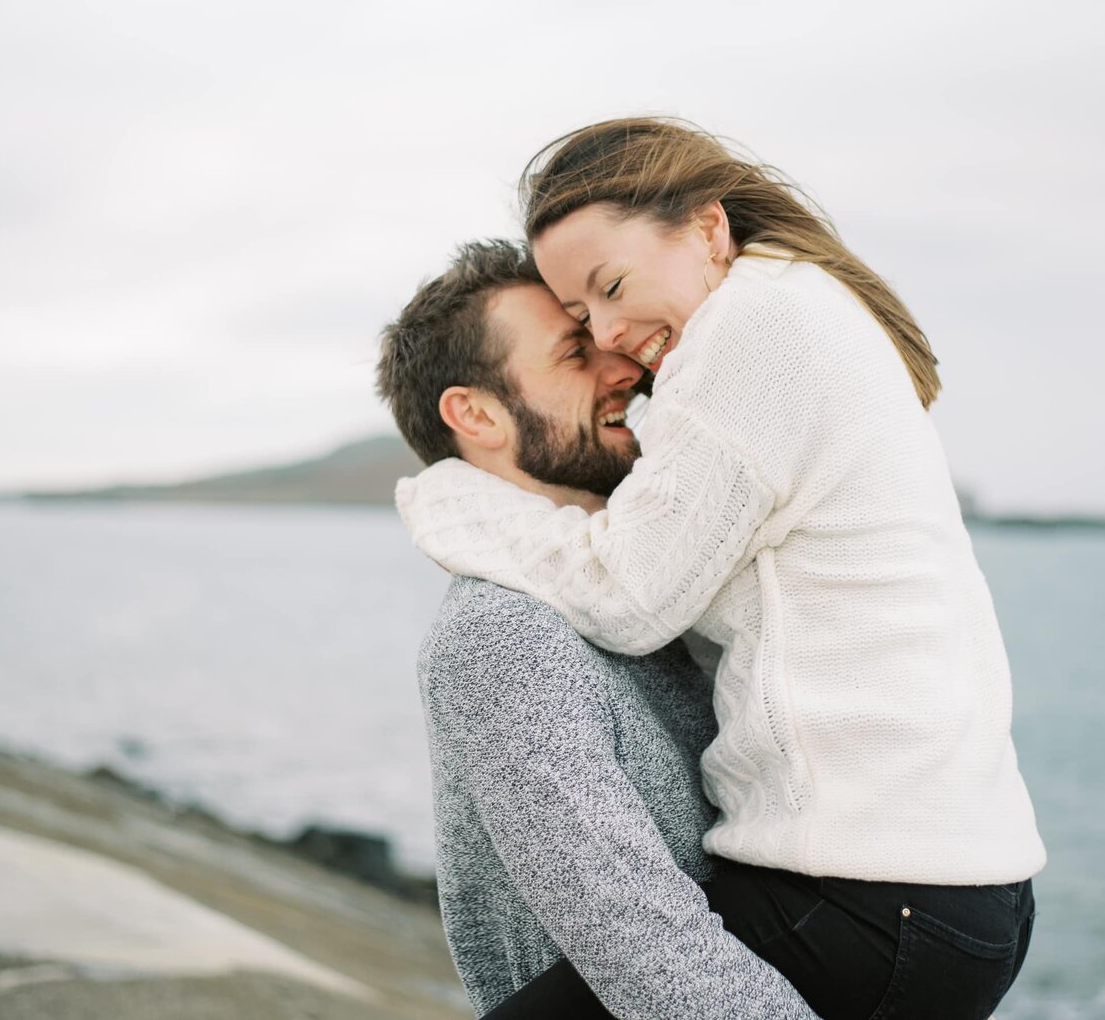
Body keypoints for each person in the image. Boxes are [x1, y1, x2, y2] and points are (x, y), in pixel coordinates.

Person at [396, 119, 1045, 1020]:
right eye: (579, 332)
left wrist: (449, 501)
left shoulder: (753, 330)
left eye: (611, 293)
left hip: (877, 887)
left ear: (708, 230)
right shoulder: (504, 631)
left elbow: (622, 600)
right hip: (944, 890)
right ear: (475, 412)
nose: (619, 347)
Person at [376, 239, 818, 1020]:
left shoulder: (637, 593)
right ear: (475, 413)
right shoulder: (503, 633)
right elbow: (646, 946)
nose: (622, 367)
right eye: (575, 352)